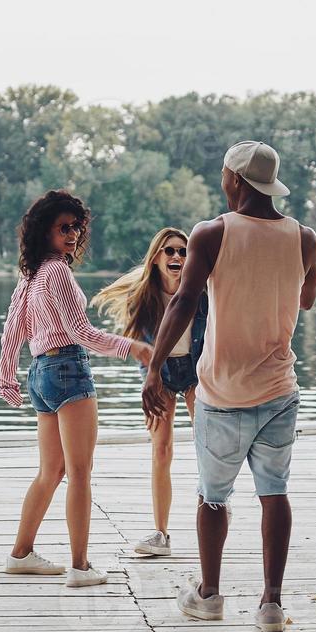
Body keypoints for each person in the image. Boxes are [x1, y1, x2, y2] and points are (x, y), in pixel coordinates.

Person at [143, 141, 316, 632]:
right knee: (274, 493)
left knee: (212, 497)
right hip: (279, 389)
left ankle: (210, 594)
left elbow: (182, 304)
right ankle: (271, 605)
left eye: (225, 175)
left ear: (236, 181)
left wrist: (155, 369)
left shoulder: (213, 232)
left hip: (221, 392)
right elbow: (308, 298)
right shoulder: (304, 237)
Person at [0, 190, 154, 586]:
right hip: (67, 369)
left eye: (76, 228)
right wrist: (132, 348)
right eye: (63, 228)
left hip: (40, 372)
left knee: (50, 470)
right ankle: (81, 567)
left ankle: (21, 553)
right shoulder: (56, 273)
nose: (72, 235)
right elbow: (80, 332)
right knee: (79, 473)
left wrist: (6, 374)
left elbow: (13, 328)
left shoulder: (31, 273)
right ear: (43, 231)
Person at [91, 227, 209, 557]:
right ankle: (161, 534)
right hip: (160, 374)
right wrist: (151, 381)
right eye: (169, 251)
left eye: (183, 252)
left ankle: (214, 509)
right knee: (161, 450)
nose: (176, 257)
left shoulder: (202, 293)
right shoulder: (142, 296)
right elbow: (143, 349)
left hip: (196, 371)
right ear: (156, 257)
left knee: (208, 447)